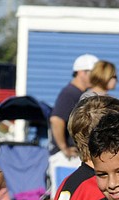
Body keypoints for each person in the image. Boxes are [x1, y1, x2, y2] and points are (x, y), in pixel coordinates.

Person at [48, 53, 98, 188]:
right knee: (64, 196)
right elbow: (56, 120)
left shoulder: (78, 93)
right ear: (81, 72)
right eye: (93, 73)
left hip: (72, 156)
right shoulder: (70, 93)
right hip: (65, 158)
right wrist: (64, 148)